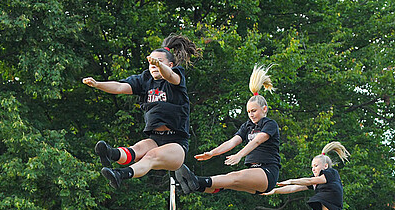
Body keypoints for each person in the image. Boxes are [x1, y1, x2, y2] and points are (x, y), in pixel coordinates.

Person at [83, 35, 199, 189]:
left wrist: (158, 64)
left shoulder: (176, 76)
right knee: (137, 149)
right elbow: (118, 87)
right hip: (155, 138)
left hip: (176, 144)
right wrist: (97, 84)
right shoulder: (145, 80)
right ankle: (110, 154)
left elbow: (169, 75)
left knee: (151, 156)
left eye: (158, 62)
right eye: (151, 62)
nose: (153, 65)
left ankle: (120, 174)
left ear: (170, 64)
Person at [185, 65, 281, 195]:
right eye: (248, 112)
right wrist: (212, 153)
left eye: (254, 111)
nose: (251, 115)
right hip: (254, 175)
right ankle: (197, 187)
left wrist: (239, 155)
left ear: (264, 109)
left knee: (234, 176)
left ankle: (196, 180)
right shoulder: (247, 126)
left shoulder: (270, 124)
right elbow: (232, 142)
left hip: (267, 172)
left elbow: (257, 141)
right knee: (228, 182)